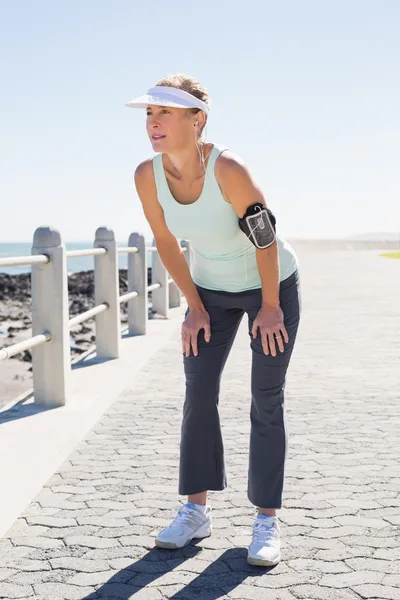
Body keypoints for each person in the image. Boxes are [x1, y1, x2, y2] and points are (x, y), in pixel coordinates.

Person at [126, 73, 301, 567]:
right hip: (210, 292)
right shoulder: (146, 174)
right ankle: (195, 512)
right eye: (149, 114)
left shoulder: (230, 168)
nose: (153, 123)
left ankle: (266, 520)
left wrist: (269, 307)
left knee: (265, 397)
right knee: (198, 391)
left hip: (271, 286)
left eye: (164, 113)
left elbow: (265, 238)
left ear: (196, 119)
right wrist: (194, 306)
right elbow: (164, 241)